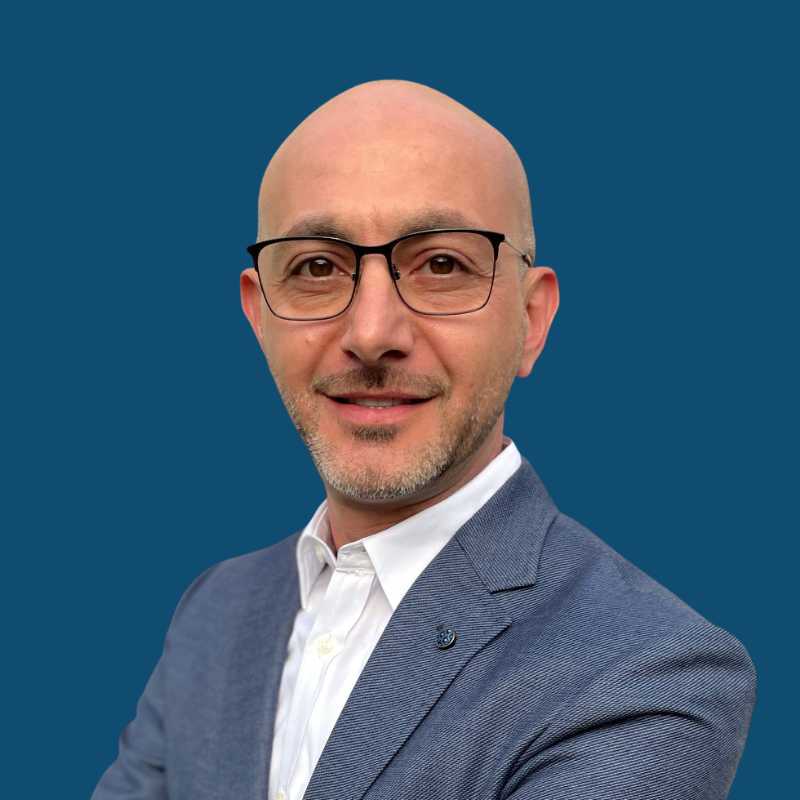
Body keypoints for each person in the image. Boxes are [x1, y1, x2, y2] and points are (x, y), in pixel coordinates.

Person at [93, 80, 756, 800]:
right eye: (317, 267)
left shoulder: (649, 672)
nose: (372, 332)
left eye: (442, 265)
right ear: (260, 317)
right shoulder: (214, 612)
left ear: (531, 320)